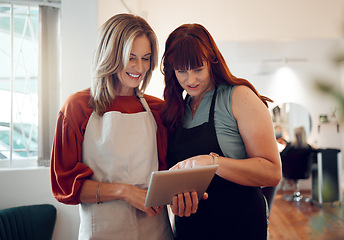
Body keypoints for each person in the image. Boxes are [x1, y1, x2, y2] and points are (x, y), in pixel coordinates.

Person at [50, 14, 173, 240]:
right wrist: (125, 191)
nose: (140, 67)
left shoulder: (158, 110)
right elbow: (65, 186)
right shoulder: (77, 108)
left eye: (146, 58)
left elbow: (170, 175)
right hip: (102, 232)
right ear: (111, 55)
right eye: (131, 57)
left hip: (156, 230)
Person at [161, 23, 282, 240]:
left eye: (198, 69)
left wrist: (212, 162)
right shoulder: (176, 109)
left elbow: (272, 172)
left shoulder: (238, 97)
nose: (191, 80)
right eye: (182, 71)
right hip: (191, 229)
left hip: (239, 227)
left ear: (212, 61)